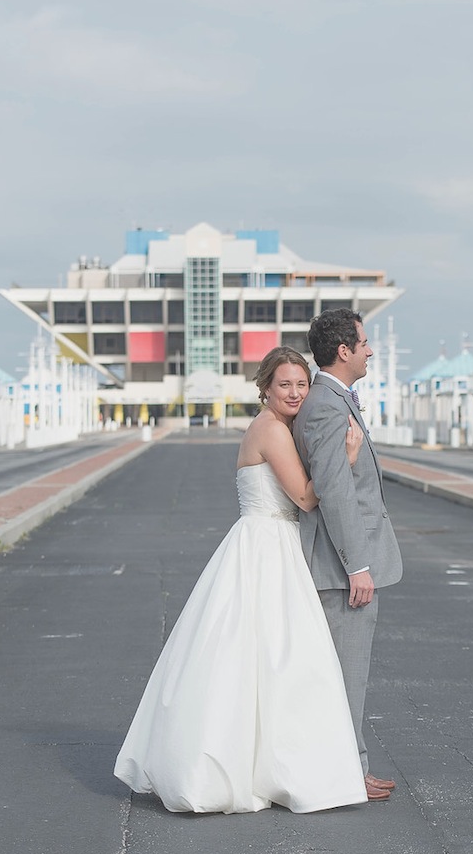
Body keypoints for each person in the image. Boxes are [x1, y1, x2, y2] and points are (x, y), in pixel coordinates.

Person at [114, 346, 369, 815]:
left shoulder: (283, 428)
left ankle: (273, 766)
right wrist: (347, 457)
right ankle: (252, 768)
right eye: (284, 385)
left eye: (300, 384)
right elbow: (307, 499)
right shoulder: (271, 430)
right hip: (266, 545)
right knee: (270, 656)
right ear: (265, 390)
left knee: (271, 661)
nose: (294, 393)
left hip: (275, 543)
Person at [293, 309, 403, 801]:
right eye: (364, 342)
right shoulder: (327, 407)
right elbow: (335, 493)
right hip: (341, 571)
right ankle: (345, 773)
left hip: (344, 566)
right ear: (344, 350)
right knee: (344, 677)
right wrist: (358, 566)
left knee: (345, 676)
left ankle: (351, 765)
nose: (370, 350)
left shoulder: (332, 401)